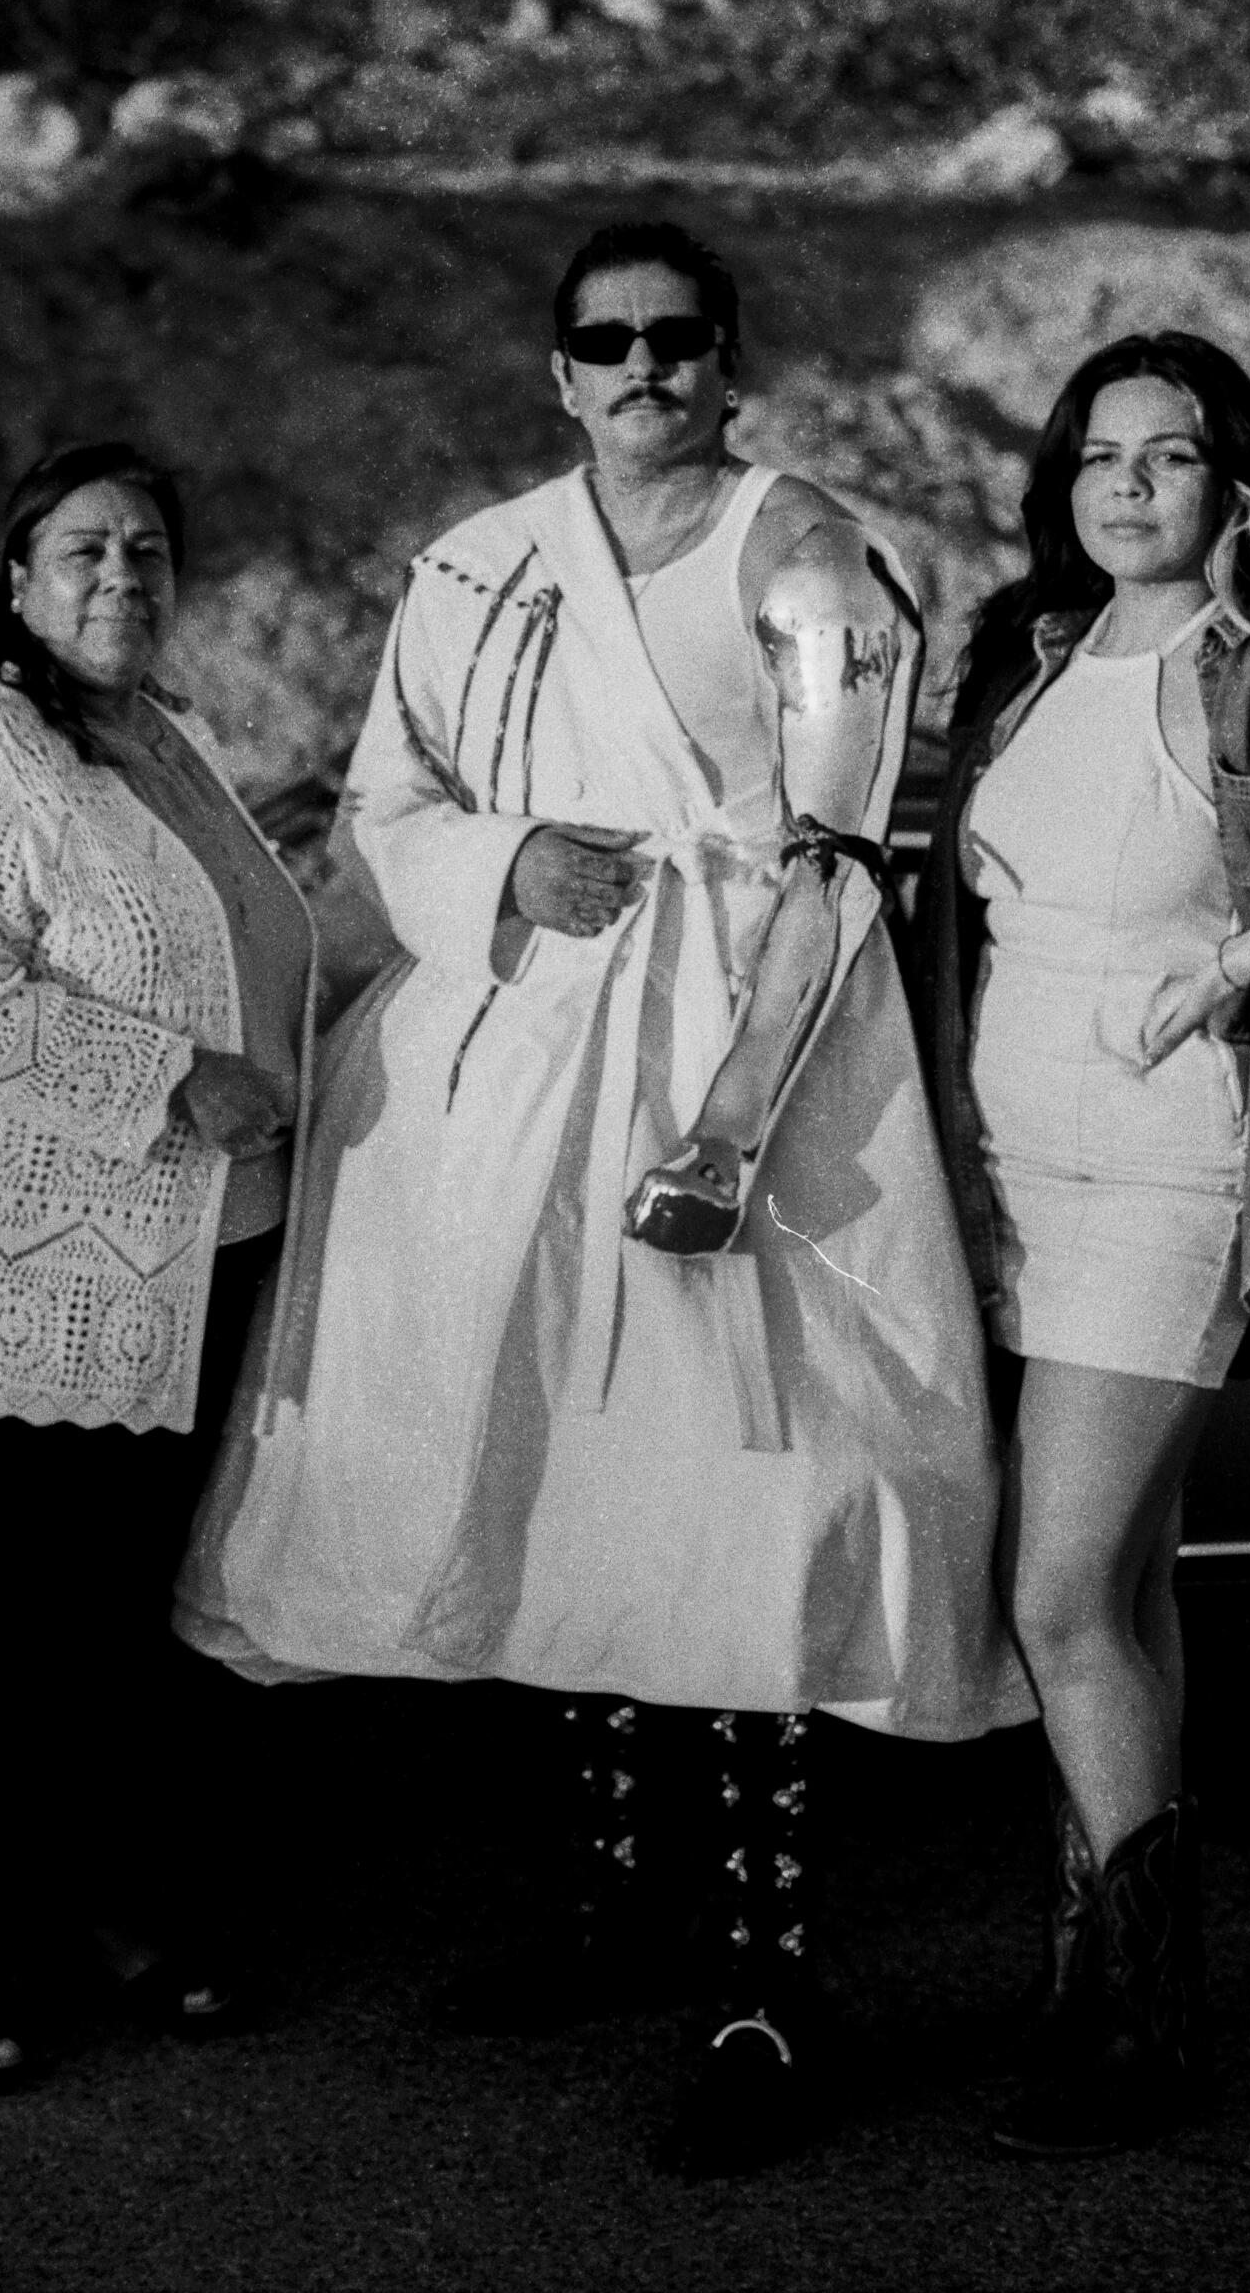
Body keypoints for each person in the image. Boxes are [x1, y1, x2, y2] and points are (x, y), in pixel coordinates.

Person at [177, 222, 1030, 2174]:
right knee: (563, 1478)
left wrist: (726, 1132)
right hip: (532, 1060)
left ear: (727, 362)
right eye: (604, 341)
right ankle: (614, 1903)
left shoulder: (807, 553)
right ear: (557, 371)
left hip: (759, 1065)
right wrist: (501, 863)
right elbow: (381, 801)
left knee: (740, 1503)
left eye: (677, 338)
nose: (642, 366)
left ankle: (766, 1971)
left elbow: (835, 854)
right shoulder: (478, 565)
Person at [918, 329, 1250, 2156]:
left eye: (1170, 458)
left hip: (1167, 1183)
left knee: (1051, 1599)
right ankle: (1109, 1983)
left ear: (1230, 483)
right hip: (1013, 1177)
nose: (1129, 488)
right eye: (1101, 457)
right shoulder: (1023, 672)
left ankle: (1136, 2020)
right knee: (1129, 1597)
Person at [0, 440, 315, 2094]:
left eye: (147, 551)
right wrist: (176, 1081)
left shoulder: (160, 733)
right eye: (85, 551)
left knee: (125, 1619)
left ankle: (115, 1906)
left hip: (181, 1259)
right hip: (23, 1255)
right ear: (21, 578)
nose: (122, 577)